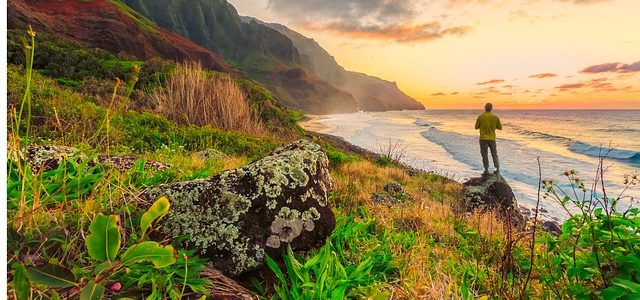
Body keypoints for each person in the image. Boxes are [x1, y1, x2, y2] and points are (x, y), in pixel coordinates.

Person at [475, 103, 502, 175]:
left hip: (483, 139)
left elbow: (476, 127)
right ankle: (497, 169)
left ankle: (486, 170)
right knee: (494, 154)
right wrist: (492, 126)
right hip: (492, 138)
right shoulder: (495, 117)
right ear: (491, 108)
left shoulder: (481, 117)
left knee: (484, 154)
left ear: (485, 108)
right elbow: (500, 128)